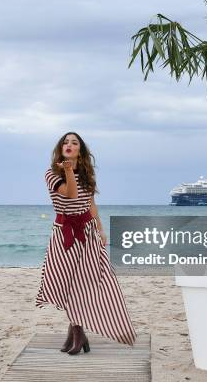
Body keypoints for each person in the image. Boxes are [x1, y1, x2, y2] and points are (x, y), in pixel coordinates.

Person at [35, 131, 137, 355]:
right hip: (64, 234)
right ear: (60, 149)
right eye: (66, 142)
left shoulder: (86, 175)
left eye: (74, 143)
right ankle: (77, 334)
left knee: (83, 282)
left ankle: (75, 335)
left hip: (88, 232)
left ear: (80, 151)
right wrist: (68, 171)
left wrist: (100, 229)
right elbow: (70, 194)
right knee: (66, 282)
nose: (69, 145)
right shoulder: (52, 174)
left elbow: (91, 205)